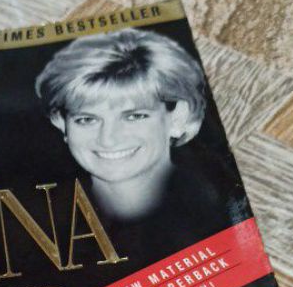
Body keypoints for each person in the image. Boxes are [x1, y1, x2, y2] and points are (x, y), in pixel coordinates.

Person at [35, 28, 208, 221]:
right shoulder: (45, 216)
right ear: (61, 123)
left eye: (134, 116)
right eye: (86, 119)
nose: (108, 139)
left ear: (177, 118)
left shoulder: (215, 208)